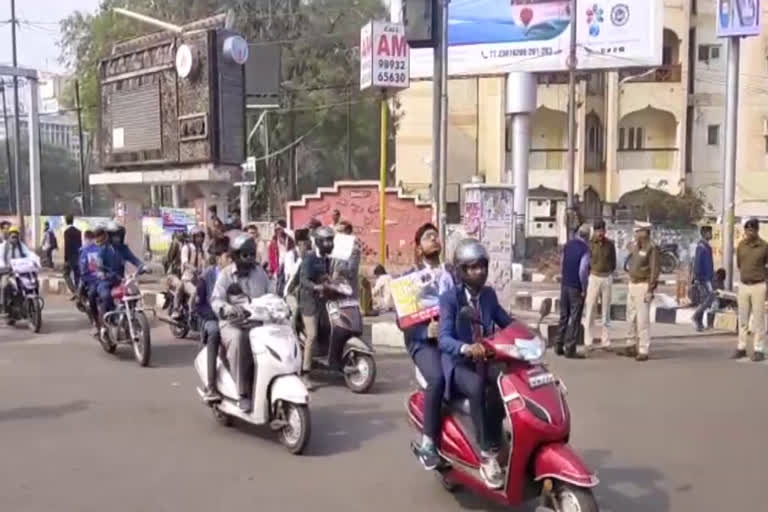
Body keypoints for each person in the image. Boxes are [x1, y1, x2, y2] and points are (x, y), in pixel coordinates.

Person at [438, 239, 512, 489]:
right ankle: (486, 455)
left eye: (482, 266)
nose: (478, 271)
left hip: (487, 360)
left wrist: (529, 334)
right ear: (460, 270)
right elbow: (444, 337)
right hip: (459, 364)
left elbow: (506, 322)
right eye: (471, 267)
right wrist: (466, 347)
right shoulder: (451, 299)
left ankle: (496, 438)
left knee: (508, 385)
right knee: (479, 386)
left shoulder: (489, 295)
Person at [402, 223, 455, 470]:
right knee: (437, 379)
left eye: (435, 235)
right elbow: (402, 321)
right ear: (419, 248)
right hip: (422, 342)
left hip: (452, 339)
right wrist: (425, 331)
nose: (433, 239)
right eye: (427, 237)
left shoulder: (451, 273)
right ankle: (428, 443)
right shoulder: (409, 279)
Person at [211, 233, 270, 412]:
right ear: (236, 256)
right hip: (233, 323)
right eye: (246, 255)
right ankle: (243, 392)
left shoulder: (260, 272)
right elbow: (216, 300)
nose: (250, 259)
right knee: (239, 339)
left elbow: (272, 291)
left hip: (258, 321)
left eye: (252, 255)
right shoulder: (226, 275)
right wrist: (227, 309)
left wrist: (280, 303)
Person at [298, 225, 335, 390]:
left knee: (329, 326)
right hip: (308, 301)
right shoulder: (309, 258)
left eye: (331, 240)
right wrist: (316, 287)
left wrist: (331, 281)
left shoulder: (325, 259)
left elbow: (324, 276)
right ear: (319, 242)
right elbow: (303, 280)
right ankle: (305, 373)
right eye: (326, 241)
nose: (329, 243)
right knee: (312, 335)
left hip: (322, 300)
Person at [621, 222, 660, 362]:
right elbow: (628, 249)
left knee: (642, 320)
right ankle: (630, 344)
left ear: (644, 232)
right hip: (632, 283)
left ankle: (643, 349)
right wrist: (633, 244)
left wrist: (651, 289)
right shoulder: (636, 246)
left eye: (637, 231)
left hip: (643, 285)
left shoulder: (652, 248)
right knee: (630, 316)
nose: (635, 234)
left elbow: (654, 270)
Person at [96, 221, 144, 333]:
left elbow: (134, 259)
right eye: (114, 235)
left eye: (118, 235)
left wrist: (142, 266)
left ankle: (130, 317)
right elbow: (98, 266)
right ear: (109, 236)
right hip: (106, 282)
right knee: (106, 296)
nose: (117, 238)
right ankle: (104, 325)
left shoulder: (124, 249)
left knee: (134, 293)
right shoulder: (103, 250)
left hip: (120, 281)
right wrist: (101, 273)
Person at [198, 242, 229, 403]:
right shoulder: (206, 276)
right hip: (212, 319)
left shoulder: (235, 274)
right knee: (215, 332)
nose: (230, 260)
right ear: (218, 259)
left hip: (233, 319)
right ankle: (211, 386)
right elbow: (200, 305)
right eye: (227, 257)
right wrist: (215, 316)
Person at [734, 218, 768, 362]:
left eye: (752, 229)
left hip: (758, 285)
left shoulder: (764, 246)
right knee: (742, 318)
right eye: (747, 229)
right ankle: (741, 347)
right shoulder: (741, 245)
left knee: (759, 319)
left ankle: (759, 349)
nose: (749, 232)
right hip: (743, 285)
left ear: (757, 230)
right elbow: (739, 264)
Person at [556, 224, 591, 359]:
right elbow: (583, 271)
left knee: (564, 315)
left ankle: (558, 345)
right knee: (575, 318)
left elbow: (562, 262)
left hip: (565, 285)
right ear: (587, 236)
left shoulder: (568, 245)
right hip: (576, 287)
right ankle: (570, 348)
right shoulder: (585, 249)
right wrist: (584, 288)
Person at [582, 220, 616, 351]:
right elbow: (586, 263)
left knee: (606, 311)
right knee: (590, 309)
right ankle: (588, 341)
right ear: (594, 231)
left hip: (606, 277)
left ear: (605, 231)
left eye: (602, 230)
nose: (600, 233)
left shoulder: (610, 245)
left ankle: (605, 341)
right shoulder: (590, 244)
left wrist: (608, 272)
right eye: (597, 230)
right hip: (594, 277)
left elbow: (613, 262)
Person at [1, 226, 40, 319]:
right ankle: (4, 308)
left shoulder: (21, 246)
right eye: (12, 236)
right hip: (8, 272)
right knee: (4, 285)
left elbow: (30, 254)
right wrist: (4, 266)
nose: (14, 238)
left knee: (34, 281)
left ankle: (33, 299)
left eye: (16, 236)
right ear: (9, 236)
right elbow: (0, 259)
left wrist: (36, 261)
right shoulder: (3, 247)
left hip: (21, 272)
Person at [171, 226, 205, 319]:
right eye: (197, 236)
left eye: (201, 236)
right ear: (192, 237)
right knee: (194, 292)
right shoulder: (187, 248)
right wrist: (193, 269)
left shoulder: (201, 251)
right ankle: (191, 312)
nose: (200, 239)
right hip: (187, 279)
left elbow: (204, 264)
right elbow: (185, 262)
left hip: (197, 280)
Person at [79, 228, 104, 333]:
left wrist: (84, 278)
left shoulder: (85, 251)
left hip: (93, 281)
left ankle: (95, 322)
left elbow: (83, 268)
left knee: (89, 296)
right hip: (105, 279)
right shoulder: (102, 249)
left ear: (86, 239)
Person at [692, 226, 715, 332]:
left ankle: (699, 324)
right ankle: (696, 316)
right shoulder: (701, 247)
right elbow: (697, 263)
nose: (711, 234)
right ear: (704, 233)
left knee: (704, 300)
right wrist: (696, 277)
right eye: (709, 232)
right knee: (709, 299)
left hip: (708, 277)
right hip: (703, 278)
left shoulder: (706, 246)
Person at [63, 214, 82, 293]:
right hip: (77, 256)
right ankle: (78, 291)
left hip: (70, 257)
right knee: (77, 275)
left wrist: (66, 258)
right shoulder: (78, 231)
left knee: (66, 274)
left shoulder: (66, 232)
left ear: (66, 221)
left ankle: (74, 291)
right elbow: (80, 244)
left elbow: (67, 246)